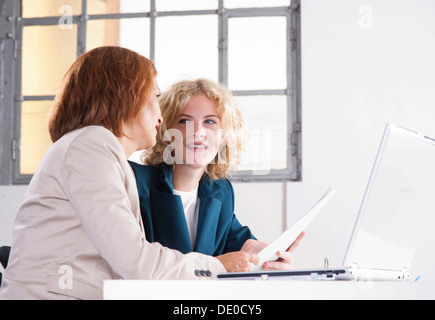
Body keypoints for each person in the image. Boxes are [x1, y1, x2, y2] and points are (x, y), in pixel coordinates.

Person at [0, 47, 258, 300]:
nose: (160, 113)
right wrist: (219, 267)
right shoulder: (91, 145)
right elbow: (135, 261)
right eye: (154, 97)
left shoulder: (100, 152)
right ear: (125, 97)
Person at [129, 79, 304, 271]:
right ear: (167, 132)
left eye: (210, 121)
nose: (198, 132)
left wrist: (269, 257)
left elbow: (240, 244)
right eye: (184, 121)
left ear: (223, 137)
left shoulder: (219, 191)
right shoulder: (136, 181)